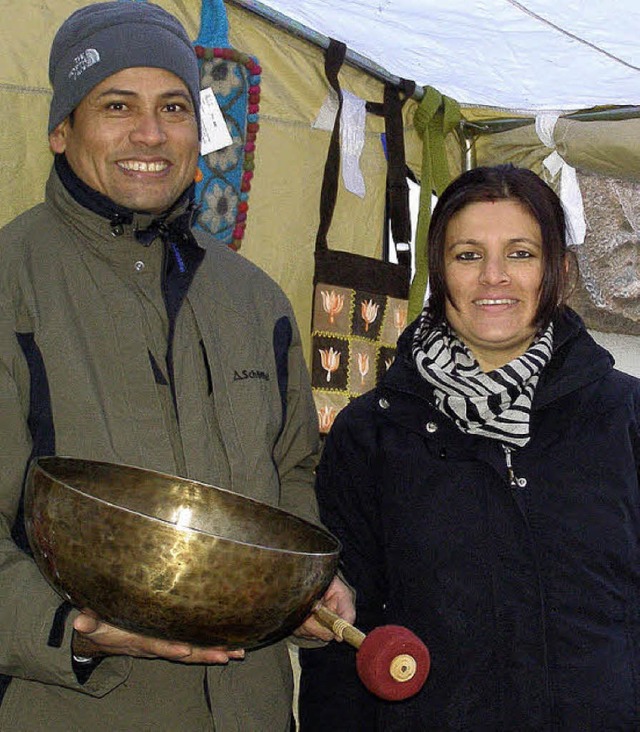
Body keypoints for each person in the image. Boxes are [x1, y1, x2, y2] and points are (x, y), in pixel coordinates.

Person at [0, 3, 353, 730]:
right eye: (116, 106)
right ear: (61, 129)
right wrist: (71, 631)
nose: (151, 134)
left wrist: (302, 589)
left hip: (251, 706)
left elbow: (292, 469)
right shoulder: (14, 285)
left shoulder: (254, 300)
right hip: (74, 705)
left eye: (173, 107)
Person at [298, 164, 640, 730]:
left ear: (562, 271)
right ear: (439, 274)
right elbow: (343, 640)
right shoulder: (374, 433)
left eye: (522, 253)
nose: (494, 278)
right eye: (468, 255)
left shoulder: (624, 418)